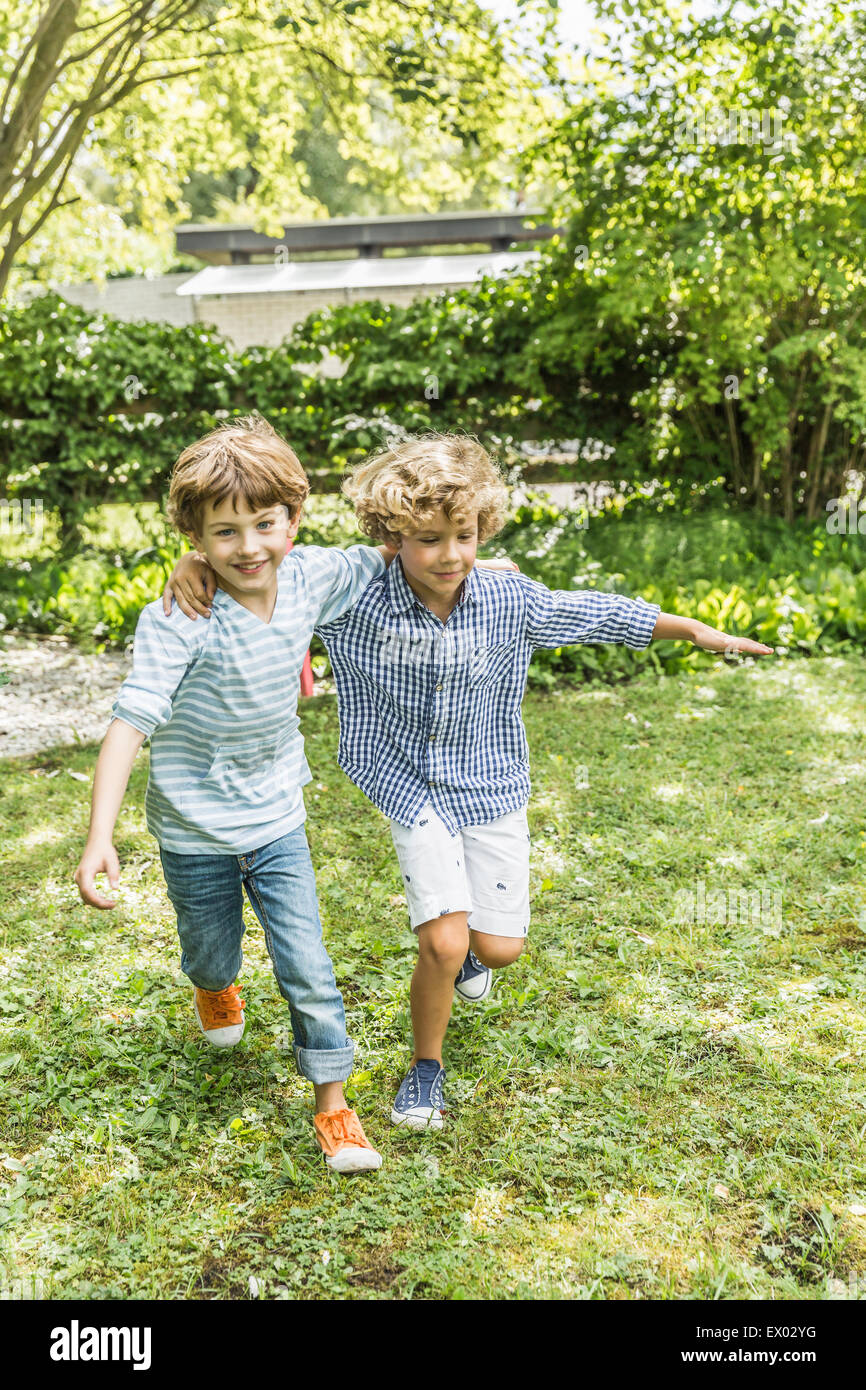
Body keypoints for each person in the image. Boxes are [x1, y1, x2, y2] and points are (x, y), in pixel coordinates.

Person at [164, 432, 774, 1131]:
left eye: (463, 536)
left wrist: (692, 630)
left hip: (491, 786)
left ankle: (468, 964)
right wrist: (192, 563)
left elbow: (593, 612)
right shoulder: (356, 597)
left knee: (496, 949)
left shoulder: (507, 597)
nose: (449, 555)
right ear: (393, 537)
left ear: (482, 530)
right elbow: (261, 557)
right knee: (445, 942)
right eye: (427, 539)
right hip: (406, 784)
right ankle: (426, 1069)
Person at [74, 414, 393, 1173]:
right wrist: (99, 837)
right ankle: (215, 989)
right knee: (212, 954)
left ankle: (334, 1105)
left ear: (294, 517)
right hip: (191, 826)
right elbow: (129, 723)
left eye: (265, 523)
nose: (249, 547)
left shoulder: (314, 573)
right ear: (195, 538)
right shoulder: (182, 614)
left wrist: (485, 567)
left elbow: (405, 554)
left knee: (306, 960)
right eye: (224, 533)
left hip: (278, 813)